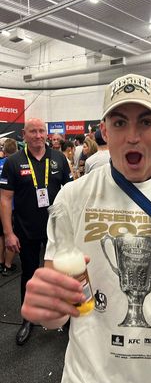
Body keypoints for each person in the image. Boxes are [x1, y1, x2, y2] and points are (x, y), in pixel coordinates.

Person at [21, 75, 151, 383]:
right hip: (91, 375)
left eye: (145, 123)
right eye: (120, 124)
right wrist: (47, 308)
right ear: (105, 131)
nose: (132, 136)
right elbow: (60, 308)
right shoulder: (73, 197)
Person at [0, 118, 73, 346]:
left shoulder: (59, 158)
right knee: (29, 277)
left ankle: (66, 316)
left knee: (61, 274)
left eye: (42, 131)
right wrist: (9, 233)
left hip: (58, 231)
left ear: (47, 134)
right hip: (26, 229)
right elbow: (5, 199)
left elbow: (71, 194)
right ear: (24, 134)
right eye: (33, 131)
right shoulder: (13, 162)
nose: (38, 135)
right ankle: (27, 319)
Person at [0, 138, 18, 276]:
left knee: (1, 235)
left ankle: (1, 262)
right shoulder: (17, 164)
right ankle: (7, 265)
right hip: (12, 207)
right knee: (12, 234)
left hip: (1, 205)